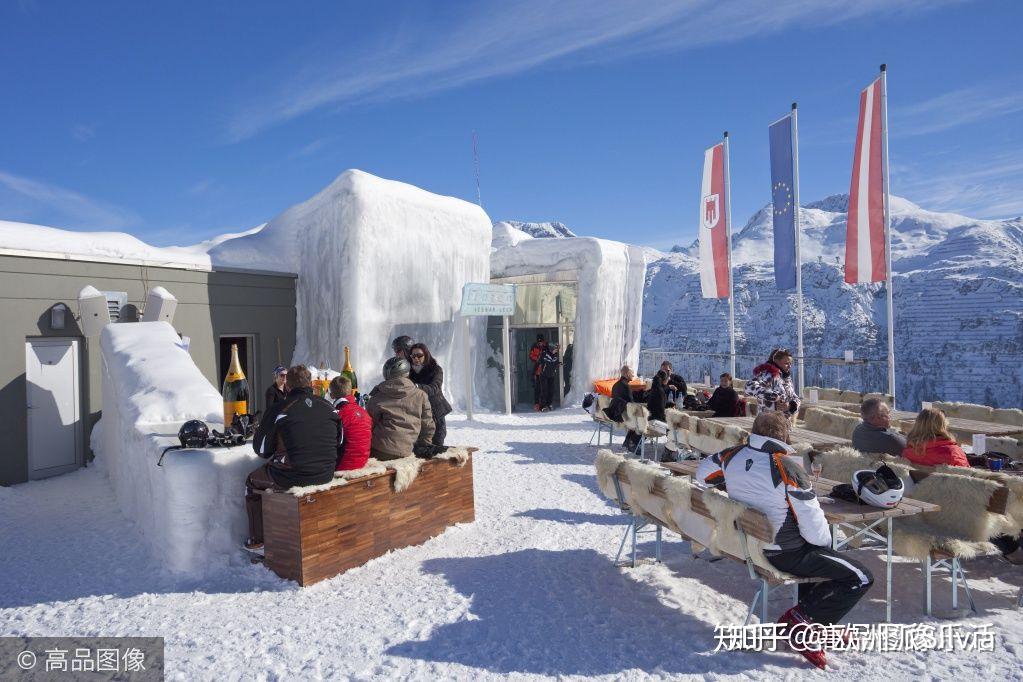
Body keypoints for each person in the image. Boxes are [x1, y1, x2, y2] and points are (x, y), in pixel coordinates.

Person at [696, 411, 873, 670]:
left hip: (751, 545)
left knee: (821, 559)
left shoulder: (731, 455)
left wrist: (736, 481)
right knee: (860, 576)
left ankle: (816, 622)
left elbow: (703, 475)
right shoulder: (787, 466)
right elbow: (815, 529)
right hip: (783, 552)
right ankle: (802, 620)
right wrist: (826, 547)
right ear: (784, 435)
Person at [245, 365, 342, 550]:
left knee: (251, 481)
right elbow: (340, 440)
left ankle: (257, 540)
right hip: (326, 472)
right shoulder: (328, 406)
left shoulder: (279, 409)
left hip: (291, 475)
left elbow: (262, 449)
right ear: (312, 384)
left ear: (288, 386)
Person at [366, 357, 435, 460]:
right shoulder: (421, 395)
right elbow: (428, 425)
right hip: (407, 450)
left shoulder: (377, 395)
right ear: (407, 373)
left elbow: (368, 424)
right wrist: (424, 446)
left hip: (379, 450)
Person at [409, 342, 452, 446]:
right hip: (418, 412)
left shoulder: (436, 369)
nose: (416, 358)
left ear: (426, 355)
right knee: (420, 444)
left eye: (419, 355)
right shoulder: (408, 371)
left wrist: (417, 387)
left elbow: (435, 388)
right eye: (413, 355)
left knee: (437, 442)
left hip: (436, 410)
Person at [329, 375, 372, 471]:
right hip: (362, 461)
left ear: (332, 395)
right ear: (351, 391)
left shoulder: (337, 413)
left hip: (344, 465)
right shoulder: (363, 411)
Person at [901, 408, 969, 467]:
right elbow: (966, 475)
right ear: (942, 426)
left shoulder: (908, 452)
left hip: (920, 482)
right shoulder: (953, 452)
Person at [747, 348, 801, 417]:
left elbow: (795, 397)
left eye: (790, 363)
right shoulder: (768, 374)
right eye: (786, 363)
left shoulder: (786, 378)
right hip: (767, 421)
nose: (790, 366)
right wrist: (772, 396)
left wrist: (791, 406)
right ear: (776, 361)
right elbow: (749, 386)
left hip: (783, 422)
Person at [604, 365, 640, 451]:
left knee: (638, 417)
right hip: (623, 416)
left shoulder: (615, 385)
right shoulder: (626, 386)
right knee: (643, 419)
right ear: (627, 374)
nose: (634, 375)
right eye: (632, 373)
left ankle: (627, 441)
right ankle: (632, 443)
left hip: (615, 413)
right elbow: (631, 405)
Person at [537, 342, 561, 411]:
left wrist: (558, 364)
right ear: (551, 349)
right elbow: (541, 361)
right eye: (555, 349)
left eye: (557, 349)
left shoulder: (555, 355)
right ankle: (543, 406)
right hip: (544, 375)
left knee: (551, 390)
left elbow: (555, 363)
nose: (556, 350)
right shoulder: (545, 354)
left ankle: (549, 404)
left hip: (551, 375)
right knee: (544, 391)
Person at [528, 334, 547, 411]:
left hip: (545, 371)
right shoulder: (534, 347)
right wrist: (538, 359)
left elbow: (551, 354)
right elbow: (531, 356)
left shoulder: (546, 346)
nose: (540, 343)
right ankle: (537, 404)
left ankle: (544, 405)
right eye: (539, 342)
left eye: (541, 341)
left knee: (545, 389)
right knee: (537, 389)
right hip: (537, 372)